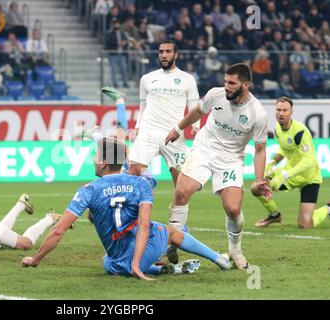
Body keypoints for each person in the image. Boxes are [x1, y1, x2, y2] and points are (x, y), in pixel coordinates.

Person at [21, 138, 231, 280]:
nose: (93, 160)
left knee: (108, 261)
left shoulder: (88, 190)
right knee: (173, 231)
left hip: (117, 260)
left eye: (95, 156)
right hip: (136, 254)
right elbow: (144, 226)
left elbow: (59, 230)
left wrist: (35, 260)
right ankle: (218, 259)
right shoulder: (141, 183)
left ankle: (151, 267)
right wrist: (137, 265)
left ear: (103, 163)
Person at [164, 63, 271, 269]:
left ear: (246, 85)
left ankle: (235, 250)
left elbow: (260, 149)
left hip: (230, 158)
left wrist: (259, 180)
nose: (227, 87)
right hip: (204, 149)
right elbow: (197, 111)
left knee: (232, 208)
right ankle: (171, 243)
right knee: (181, 192)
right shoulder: (216, 94)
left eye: (232, 83)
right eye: (225, 81)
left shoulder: (258, 113)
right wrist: (178, 128)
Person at [129, 40, 200, 234]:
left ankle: (178, 226)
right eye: (161, 52)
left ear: (176, 54)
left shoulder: (187, 79)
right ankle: (132, 222)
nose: (164, 55)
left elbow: (195, 107)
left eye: (168, 51)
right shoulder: (147, 78)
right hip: (149, 132)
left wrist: (195, 126)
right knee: (133, 170)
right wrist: (137, 127)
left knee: (181, 186)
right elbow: (142, 107)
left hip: (174, 134)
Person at [252, 96, 330, 228]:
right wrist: (273, 161)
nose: (281, 113)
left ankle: (328, 208)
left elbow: (309, 160)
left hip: (309, 178)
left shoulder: (300, 132)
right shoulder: (277, 128)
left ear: (291, 112)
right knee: (256, 187)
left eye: (284, 110)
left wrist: (285, 175)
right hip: (289, 173)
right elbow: (284, 148)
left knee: (305, 224)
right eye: (278, 110)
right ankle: (274, 215)